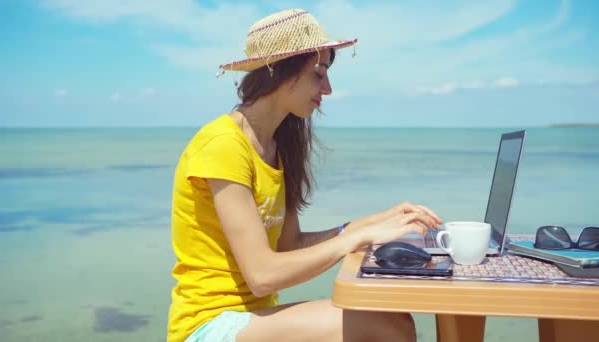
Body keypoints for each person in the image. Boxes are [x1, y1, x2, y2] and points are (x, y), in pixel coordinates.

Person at [167, 8, 442, 342]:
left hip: (255, 317)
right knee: (386, 324)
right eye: (318, 73)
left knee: (393, 316)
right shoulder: (223, 145)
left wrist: (372, 223)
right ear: (279, 73)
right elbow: (263, 274)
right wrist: (354, 240)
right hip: (209, 326)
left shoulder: (277, 146)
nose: (327, 88)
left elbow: (290, 246)